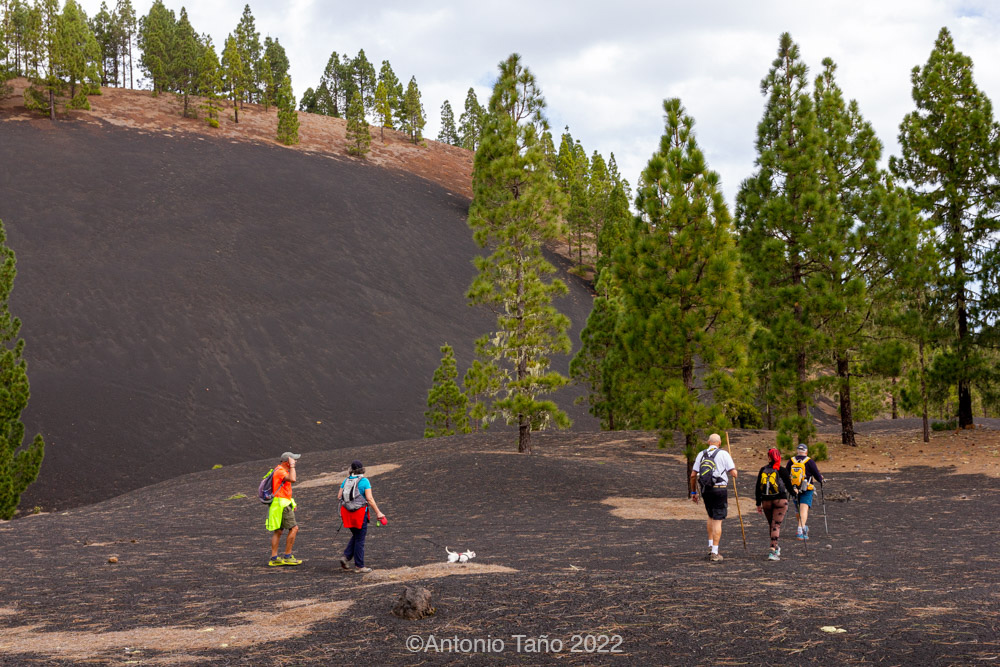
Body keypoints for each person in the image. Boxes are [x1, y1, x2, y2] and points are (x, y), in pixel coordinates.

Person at [690, 433, 737, 562]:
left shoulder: (701, 454)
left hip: (706, 490)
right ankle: (715, 552)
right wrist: (733, 471)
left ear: (708, 442)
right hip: (720, 489)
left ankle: (710, 545)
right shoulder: (724, 454)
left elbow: (693, 475)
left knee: (710, 516)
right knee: (717, 519)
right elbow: (734, 473)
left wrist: (693, 492)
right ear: (719, 443)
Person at [338, 460, 386, 574]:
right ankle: (359, 566)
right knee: (360, 538)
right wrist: (378, 512)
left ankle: (346, 557)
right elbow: (369, 499)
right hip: (359, 513)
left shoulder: (346, 480)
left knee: (356, 535)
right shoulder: (364, 481)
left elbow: (339, 496)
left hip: (346, 513)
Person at [755, 448, 793, 561]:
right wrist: (795, 493)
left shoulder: (763, 470)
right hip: (780, 501)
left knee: (772, 525)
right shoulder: (782, 470)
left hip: (766, 501)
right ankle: (772, 551)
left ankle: (775, 547)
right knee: (775, 525)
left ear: (769, 458)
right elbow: (789, 487)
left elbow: (758, 488)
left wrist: (758, 504)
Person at [267, 452, 302, 566]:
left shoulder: (278, 470)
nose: (295, 461)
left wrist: (292, 502)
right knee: (294, 528)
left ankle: (274, 558)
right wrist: (292, 466)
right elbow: (293, 479)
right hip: (282, 505)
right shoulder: (281, 471)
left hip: (278, 504)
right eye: (293, 459)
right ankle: (287, 556)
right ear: (287, 461)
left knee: (278, 531)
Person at [787, 443, 824, 541]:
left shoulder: (791, 461)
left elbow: (787, 474)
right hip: (807, 488)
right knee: (804, 509)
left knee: (798, 509)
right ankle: (800, 531)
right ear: (806, 452)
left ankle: (802, 527)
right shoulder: (810, 461)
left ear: (797, 451)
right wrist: (821, 479)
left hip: (794, 489)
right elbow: (817, 475)